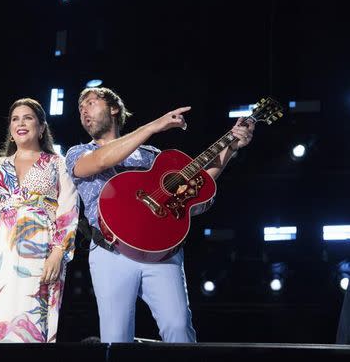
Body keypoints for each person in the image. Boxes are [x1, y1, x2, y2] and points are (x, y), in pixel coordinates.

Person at [65, 87, 255, 343]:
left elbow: (196, 189)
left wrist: (230, 147)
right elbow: (100, 162)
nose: (84, 111)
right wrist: (154, 125)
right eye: (80, 109)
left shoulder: (152, 156)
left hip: (162, 252)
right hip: (111, 252)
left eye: (90, 102)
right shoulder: (78, 153)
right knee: (117, 338)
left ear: (114, 108)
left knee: (179, 330)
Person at [0, 98, 79, 343]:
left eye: (28, 118)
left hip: (39, 249)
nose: (20, 123)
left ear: (42, 127)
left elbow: (69, 211)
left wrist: (58, 251)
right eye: (15, 119)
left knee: (27, 317)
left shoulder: (57, 164)